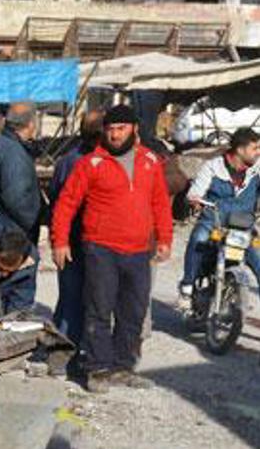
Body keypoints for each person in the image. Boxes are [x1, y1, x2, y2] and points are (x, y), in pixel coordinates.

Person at [51, 104, 172, 393]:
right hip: (100, 248)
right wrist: (60, 241)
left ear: (134, 129)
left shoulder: (150, 161)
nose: (115, 135)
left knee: (133, 311)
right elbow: (66, 205)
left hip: (139, 250)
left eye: (121, 129)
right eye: (111, 129)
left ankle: (122, 367)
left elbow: (160, 202)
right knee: (99, 309)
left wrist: (165, 238)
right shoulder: (91, 163)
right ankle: (97, 369)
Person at [179, 127, 260, 303]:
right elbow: (196, 191)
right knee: (198, 238)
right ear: (240, 150)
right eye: (255, 148)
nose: (258, 153)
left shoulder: (257, 169)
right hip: (214, 221)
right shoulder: (213, 166)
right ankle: (187, 287)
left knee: (258, 254)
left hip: (243, 225)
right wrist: (195, 199)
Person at [49, 110, 105, 344]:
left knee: (69, 296)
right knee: (79, 298)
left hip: (70, 235)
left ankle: (58, 343)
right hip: (80, 237)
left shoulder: (66, 160)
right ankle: (67, 350)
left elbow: (54, 196)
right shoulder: (84, 162)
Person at [0, 103, 41, 241]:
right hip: (11, 233)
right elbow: (16, 199)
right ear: (30, 124)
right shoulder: (14, 153)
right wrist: (32, 222)